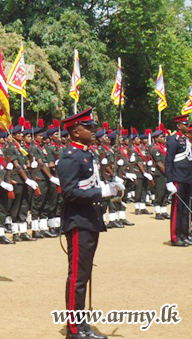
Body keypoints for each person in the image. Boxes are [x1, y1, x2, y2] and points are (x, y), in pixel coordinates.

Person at [57, 108, 114, 339]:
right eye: (88, 128)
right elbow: (69, 193)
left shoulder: (87, 154)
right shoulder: (70, 156)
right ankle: (74, 328)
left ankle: (82, 324)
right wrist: (101, 191)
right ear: (75, 132)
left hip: (90, 219)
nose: (94, 131)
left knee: (85, 273)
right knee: (78, 276)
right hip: (78, 221)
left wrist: (108, 188)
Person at [165, 114, 192, 246]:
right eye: (185, 124)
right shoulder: (173, 140)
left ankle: (184, 234)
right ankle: (175, 237)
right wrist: (169, 181)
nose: (187, 126)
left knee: (186, 209)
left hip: (188, 178)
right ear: (178, 126)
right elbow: (169, 161)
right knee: (177, 208)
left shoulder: (187, 140)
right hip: (178, 178)